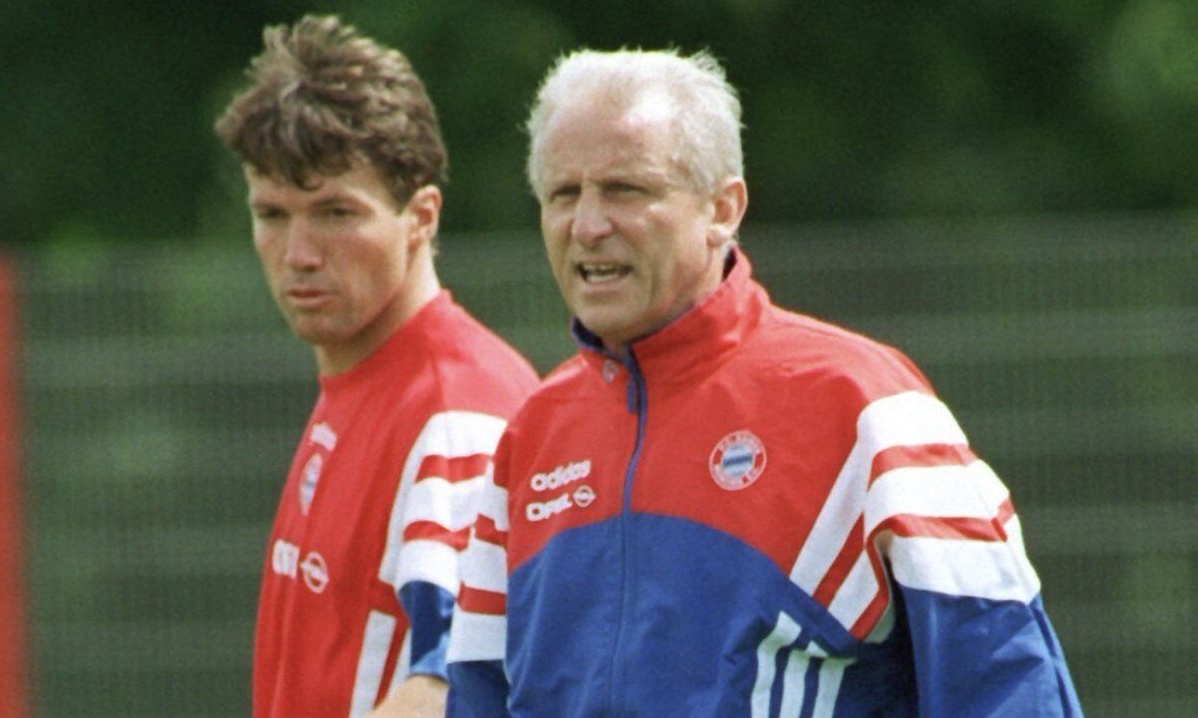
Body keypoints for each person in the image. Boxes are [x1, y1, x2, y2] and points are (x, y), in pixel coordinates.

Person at [445, 48, 1083, 716]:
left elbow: (1011, 687)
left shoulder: (864, 406)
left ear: (723, 208)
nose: (588, 226)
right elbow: (478, 698)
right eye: (563, 194)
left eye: (626, 190)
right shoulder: (531, 438)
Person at [214, 15, 539, 718]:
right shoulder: (357, 377)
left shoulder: (458, 410)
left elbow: (459, 687)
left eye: (336, 213)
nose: (299, 253)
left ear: (422, 217)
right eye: (272, 215)